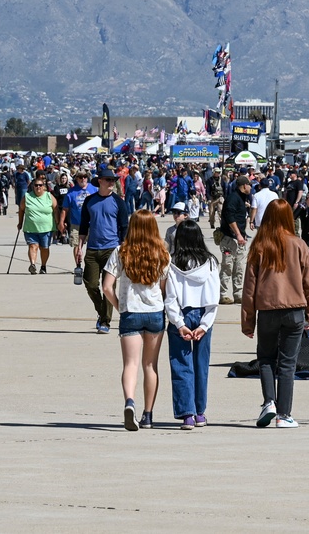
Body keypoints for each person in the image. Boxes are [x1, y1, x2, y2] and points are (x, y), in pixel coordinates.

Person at [242, 200, 309, 429]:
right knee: (287, 363)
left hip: (266, 311)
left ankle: (269, 402)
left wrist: (248, 321)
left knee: (265, 358)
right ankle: (284, 415)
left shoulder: (259, 245)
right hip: (294, 310)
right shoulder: (299, 244)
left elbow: (249, 287)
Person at [102, 209, 170, 431]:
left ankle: (129, 401)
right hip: (155, 313)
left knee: (130, 364)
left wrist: (120, 307)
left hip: (130, 312)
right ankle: (148, 415)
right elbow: (164, 288)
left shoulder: (121, 252)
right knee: (150, 365)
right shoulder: (162, 253)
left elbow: (106, 286)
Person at [164, 219, 220, 430]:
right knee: (201, 366)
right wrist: (204, 325)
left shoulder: (172, 263)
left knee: (181, 365)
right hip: (204, 313)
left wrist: (178, 323)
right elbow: (213, 298)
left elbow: (169, 298)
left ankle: (187, 413)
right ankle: (200, 412)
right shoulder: (211, 262)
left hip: (181, 314)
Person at [76, 167, 130, 334]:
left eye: (113, 180)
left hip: (112, 249)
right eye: (108, 180)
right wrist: (79, 246)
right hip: (92, 248)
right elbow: (84, 225)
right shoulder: (90, 201)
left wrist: (124, 247)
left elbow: (124, 227)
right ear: (100, 181)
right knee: (90, 283)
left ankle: (105, 321)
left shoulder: (118, 202)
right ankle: (102, 312)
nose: (112, 183)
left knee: (109, 286)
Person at [218, 174, 252, 305]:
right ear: (244, 186)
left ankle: (238, 293)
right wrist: (238, 234)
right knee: (227, 266)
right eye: (249, 185)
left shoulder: (242, 198)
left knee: (239, 267)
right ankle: (224, 294)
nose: (250, 187)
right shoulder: (233, 198)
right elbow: (229, 217)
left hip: (240, 240)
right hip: (230, 239)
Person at [18, 177, 57, 275]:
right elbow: (21, 210)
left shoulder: (49, 196)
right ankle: (33, 265)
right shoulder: (27, 197)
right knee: (33, 246)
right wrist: (20, 222)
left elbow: (56, 210)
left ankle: (43, 266)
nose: (38, 187)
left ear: (44, 187)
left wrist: (59, 223)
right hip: (31, 228)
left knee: (44, 248)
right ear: (33, 187)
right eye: (36, 185)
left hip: (47, 228)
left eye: (40, 185)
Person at [58, 171, 97, 263]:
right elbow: (65, 209)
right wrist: (61, 222)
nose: (82, 179)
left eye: (84, 177)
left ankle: (91, 264)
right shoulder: (71, 192)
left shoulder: (94, 189)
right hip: (76, 223)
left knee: (94, 246)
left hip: (92, 223)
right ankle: (78, 266)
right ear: (76, 179)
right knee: (77, 245)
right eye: (80, 177)